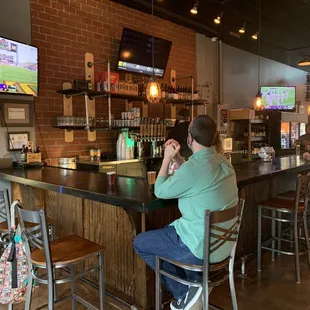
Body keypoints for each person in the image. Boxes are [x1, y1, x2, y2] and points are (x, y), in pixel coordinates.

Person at [133, 115, 239, 310]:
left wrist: (166, 158)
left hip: (201, 249)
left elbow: (160, 190)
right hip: (224, 246)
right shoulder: (224, 163)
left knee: (141, 242)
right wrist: (179, 159)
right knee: (168, 231)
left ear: (189, 139)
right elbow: (194, 176)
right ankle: (195, 285)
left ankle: (185, 293)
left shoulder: (195, 167)